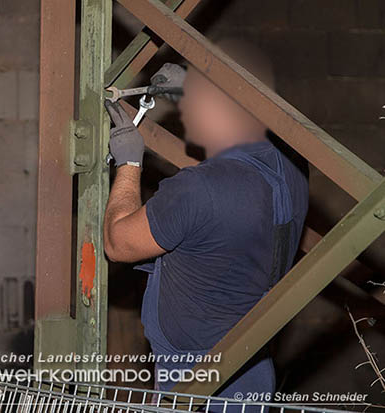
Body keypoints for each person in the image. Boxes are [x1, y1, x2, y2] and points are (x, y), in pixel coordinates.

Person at [103, 39, 308, 409]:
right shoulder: (291, 169)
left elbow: (118, 243)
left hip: (196, 383)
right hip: (254, 369)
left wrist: (129, 163)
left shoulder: (199, 189)